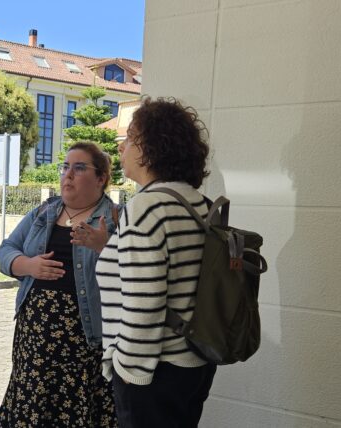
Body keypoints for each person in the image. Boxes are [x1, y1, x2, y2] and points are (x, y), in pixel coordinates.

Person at [97, 97, 216, 427]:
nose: (122, 147)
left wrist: (124, 371)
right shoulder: (200, 204)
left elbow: (145, 302)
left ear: (152, 148)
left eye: (131, 138)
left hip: (152, 374)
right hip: (195, 363)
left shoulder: (146, 207)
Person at [0, 142, 119, 427]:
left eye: (79, 168)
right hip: (34, 342)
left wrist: (106, 246)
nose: (68, 175)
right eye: (65, 167)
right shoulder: (44, 212)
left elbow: (133, 273)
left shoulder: (114, 220)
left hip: (85, 344)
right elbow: (5, 250)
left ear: (101, 178)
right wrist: (28, 266)